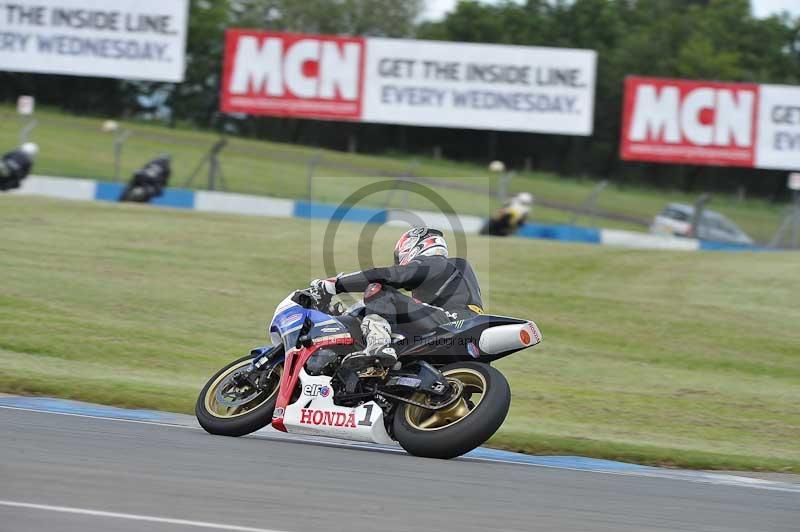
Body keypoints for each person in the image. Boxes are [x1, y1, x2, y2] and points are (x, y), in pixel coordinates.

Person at [310, 227, 484, 370]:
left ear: (413, 246)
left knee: (378, 289)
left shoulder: (439, 262)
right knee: (390, 325)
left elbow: (391, 275)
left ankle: (377, 345)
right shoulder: (444, 278)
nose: (399, 262)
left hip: (452, 322)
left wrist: (335, 284)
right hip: (451, 330)